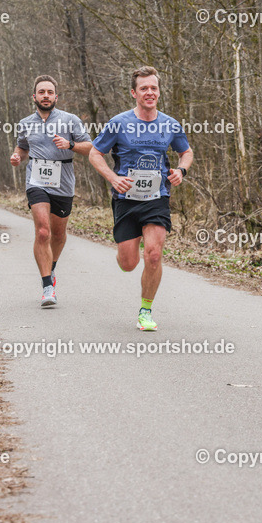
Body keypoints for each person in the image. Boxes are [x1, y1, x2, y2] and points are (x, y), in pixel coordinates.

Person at [89, 66, 193, 331]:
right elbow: (94, 154)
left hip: (157, 197)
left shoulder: (170, 124)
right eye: (144, 88)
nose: (150, 92)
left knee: (154, 255)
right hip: (125, 199)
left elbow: (187, 152)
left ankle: (145, 310)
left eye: (153, 88)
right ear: (134, 93)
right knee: (128, 263)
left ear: (159, 91)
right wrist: (113, 178)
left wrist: (181, 170)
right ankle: (127, 250)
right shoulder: (118, 123)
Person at [10, 75, 93, 307]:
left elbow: (90, 147)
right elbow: (22, 147)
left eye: (49, 92)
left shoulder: (71, 120)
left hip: (63, 182)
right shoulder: (26, 122)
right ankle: (47, 286)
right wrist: (17, 157)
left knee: (58, 234)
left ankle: (51, 267)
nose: (45, 96)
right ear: (34, 97)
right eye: (41, 92)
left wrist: (71, 145)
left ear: (56, 97)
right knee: (43, 232)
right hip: (36, 181)